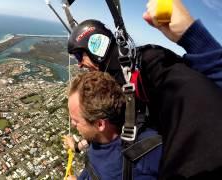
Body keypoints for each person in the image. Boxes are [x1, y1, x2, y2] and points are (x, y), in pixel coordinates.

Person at [64, 0, 222, 179]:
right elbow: (106, 132)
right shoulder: (110, 86)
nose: (78, 63)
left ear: (96, 47)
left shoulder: (148, 65)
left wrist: (191, 35)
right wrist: (78, 146)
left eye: (79, 55)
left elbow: (208, 93)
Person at [67, 71, 162, 180]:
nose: (73, 125)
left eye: (76, 120)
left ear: (100, 124)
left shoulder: (144, 157)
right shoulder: (100, 137)